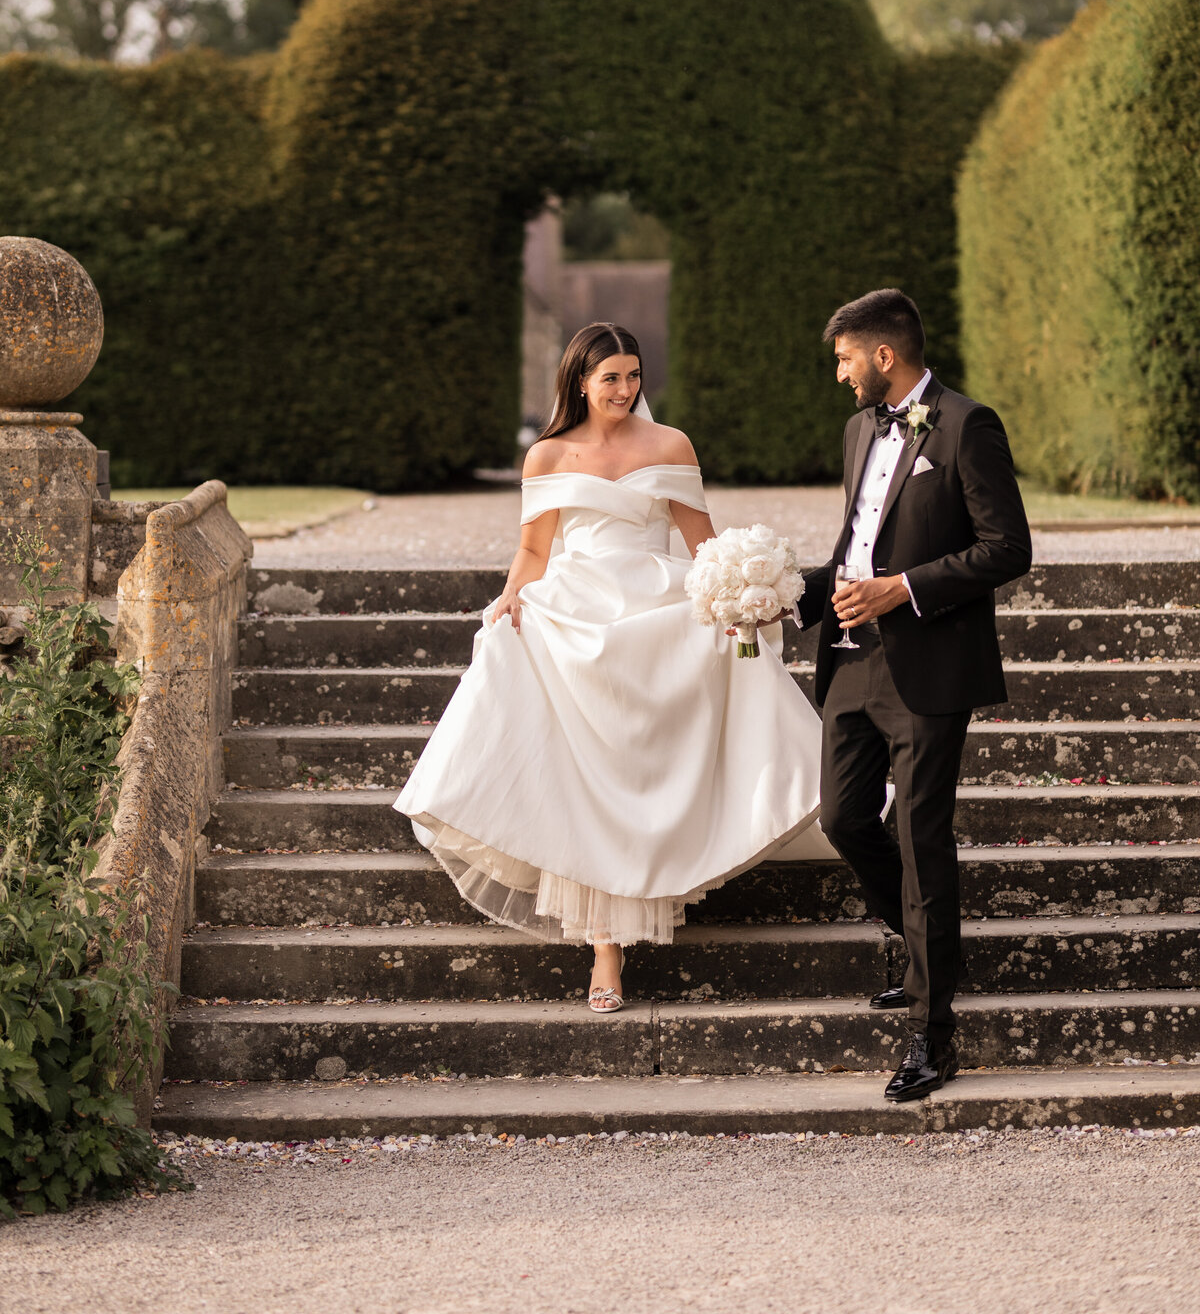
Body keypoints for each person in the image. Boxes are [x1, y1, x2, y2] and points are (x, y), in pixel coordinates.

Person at [396, 321, 828, 1011]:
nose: (625, 389)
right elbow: (535, 554)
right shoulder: (547, 456)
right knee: (552, 713)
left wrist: (738, 594)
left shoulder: (671, 446)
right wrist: (511, 597)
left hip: (658, 608)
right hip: (576, 606)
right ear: (579, 383)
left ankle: (672, 863)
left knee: (667, 727)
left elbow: (704, 546)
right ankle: (604, 949)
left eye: (632, 375)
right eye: (610, 379)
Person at [796, 288, 1031, 1102]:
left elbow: (1008, 548)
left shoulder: (969, 426)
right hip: (852, 662)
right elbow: (852, 551)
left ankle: (934, 1035)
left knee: (923, 836)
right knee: (843, 817)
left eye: (844, 359)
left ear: (883, 356)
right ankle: (925, 942)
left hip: (930, 666)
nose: (839, 375)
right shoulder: (860, 428)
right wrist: (781, 596)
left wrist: (905, 590)